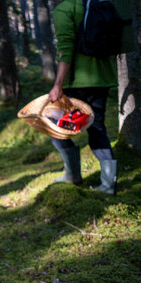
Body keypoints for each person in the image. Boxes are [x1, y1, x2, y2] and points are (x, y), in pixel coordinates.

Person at [48, 0, 118, 194]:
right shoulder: (96, 4)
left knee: (54, 125)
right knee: (97, 128)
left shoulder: (64, 10)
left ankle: (72, 174)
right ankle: (108, 185)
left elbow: (65, 47)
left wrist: (58, 84)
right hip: (102, 78)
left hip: (77, 81)